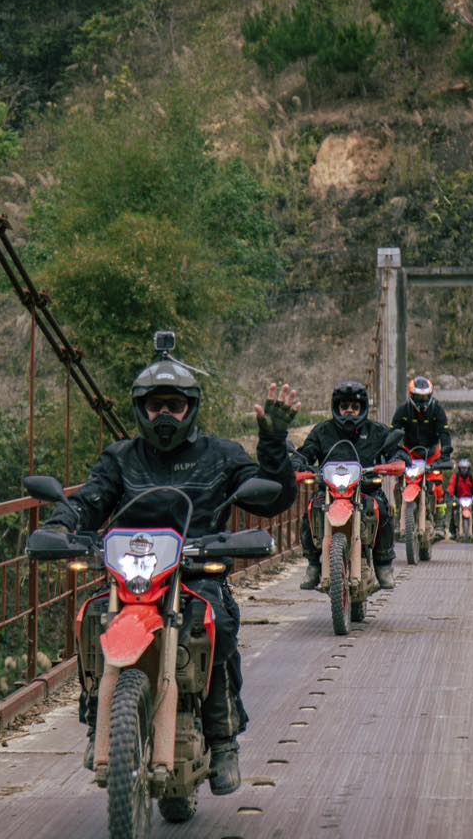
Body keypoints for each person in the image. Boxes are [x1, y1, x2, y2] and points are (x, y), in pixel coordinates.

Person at [39, 340, 300, 795]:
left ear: (191, 408)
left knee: (216, 623)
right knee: (92, 618)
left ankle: (222, 741)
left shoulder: (220, 454)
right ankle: (96, 719)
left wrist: (275, 446)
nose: (164, 416)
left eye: (174, 406)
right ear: (140, 409)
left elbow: (273, 497)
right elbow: (89, 501)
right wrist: (61, 526)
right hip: (130, 578)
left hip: (197, 575)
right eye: (155, 405)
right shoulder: (121, 458)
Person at [295, 379, 406, 591]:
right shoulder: (322, 431)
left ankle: (383, 564)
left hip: (366, 489)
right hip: (329, 491)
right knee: (311, 509)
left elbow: (394, 450)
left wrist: (398, 458)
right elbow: (306, 451)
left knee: (382, 509)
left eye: (354, 407)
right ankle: (313, 564)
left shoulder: (377, 431)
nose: (349, 411)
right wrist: (298, 461)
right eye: (344, 407)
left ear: (362, 408)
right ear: (336, 408)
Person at [390, 375, 452, 514]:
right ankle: (398, 512)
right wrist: (392, 452)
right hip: (409, 453)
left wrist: (446, 454)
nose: (422, 401)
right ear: (411, 395)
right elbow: (393, 432)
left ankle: (440, 521)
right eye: (418, 397)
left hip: (432, 453)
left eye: (425, 397)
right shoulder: (403, 411)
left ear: (430, 395)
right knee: (400, 482)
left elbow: (444, 433)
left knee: (437, 486)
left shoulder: (437, 411)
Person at [446, 458, 473, 540]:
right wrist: (449, 494)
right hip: (458, 498)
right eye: (462, 468)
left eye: (465, 468)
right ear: (459, 469)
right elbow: (451, 486)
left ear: (468, 469)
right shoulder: (455, 477)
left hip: (470, 499)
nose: (464, 470)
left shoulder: (472, 477)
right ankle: (452, 532)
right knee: (454, 511)